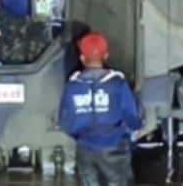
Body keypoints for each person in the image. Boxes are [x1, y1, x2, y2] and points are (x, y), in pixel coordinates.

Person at [58, 32, 142, 186]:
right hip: (114, 146)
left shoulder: (72, 86)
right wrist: (133, 130)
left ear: (82, 58)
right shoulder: (117, 84)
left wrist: (80, 135)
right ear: (106, 55)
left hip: (85, 148)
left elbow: (65, 121)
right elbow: (131, 115)